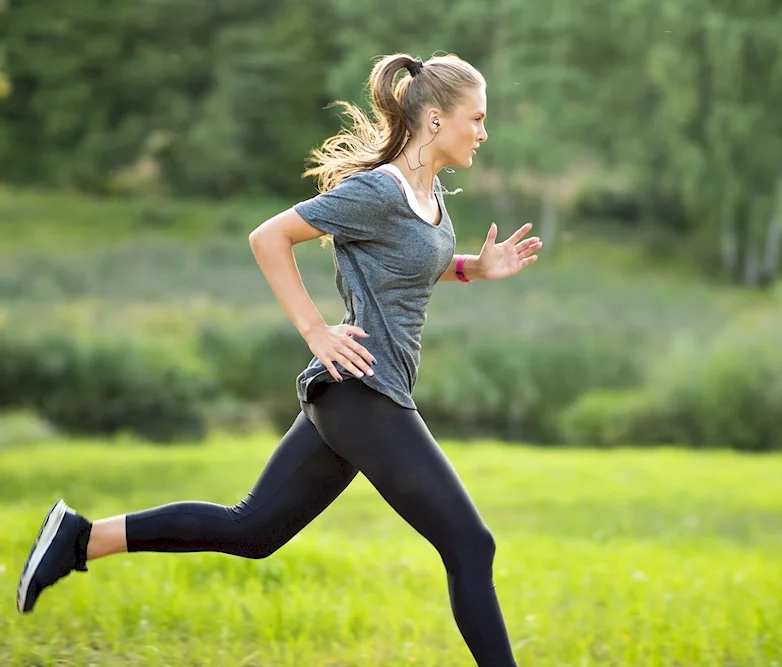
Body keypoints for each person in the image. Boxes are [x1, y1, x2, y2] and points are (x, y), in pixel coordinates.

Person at [16, 52, 541, 667]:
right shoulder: (378, 190)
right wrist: (316, 330)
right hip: (363, 392)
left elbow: (405, 269)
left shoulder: (429, 197)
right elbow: (268, 237)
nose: (483, 132)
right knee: (471, 546)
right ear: (433, 119)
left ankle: (80, 538)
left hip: (357, 394)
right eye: (475, 119)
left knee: (253, 531)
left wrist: (475, 269)